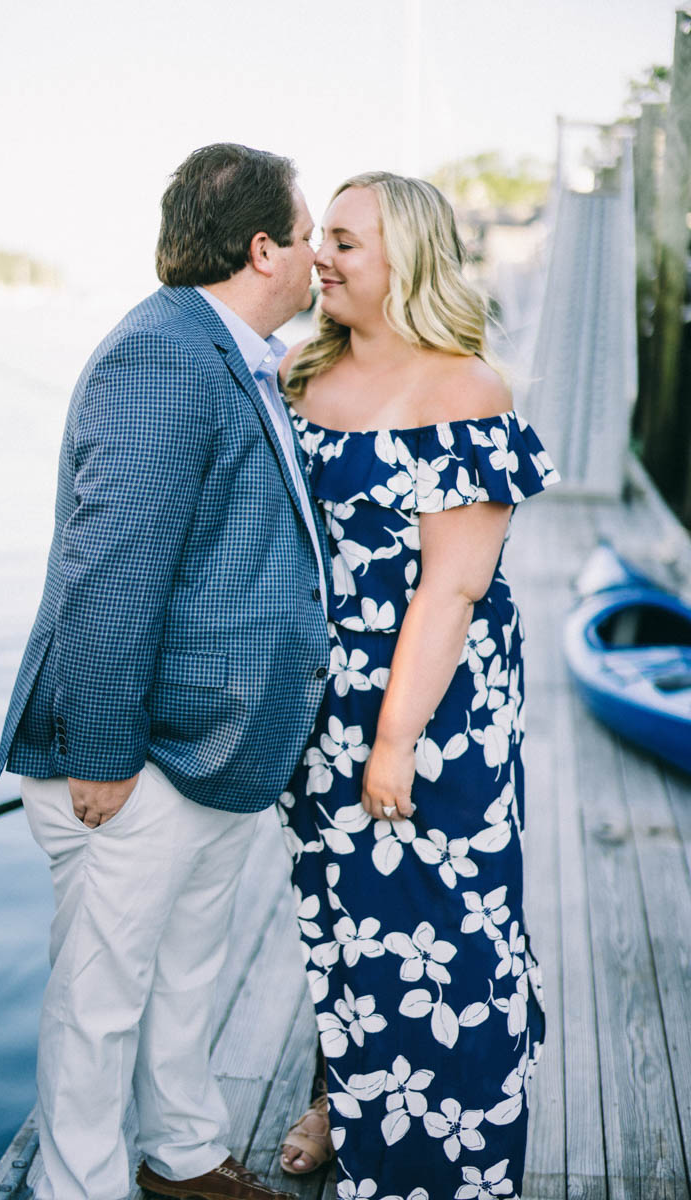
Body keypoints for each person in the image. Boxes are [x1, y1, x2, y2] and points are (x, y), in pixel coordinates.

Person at [0, 142, 331, 1200]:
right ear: (261, 245)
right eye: (308, 232)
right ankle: (78, 1187)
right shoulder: (164, 353)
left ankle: (179, 1155)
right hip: (135, 760)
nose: (318, 255)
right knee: (101, 1003)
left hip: (212, 751)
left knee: (185, 976)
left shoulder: (233, 349)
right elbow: (110, 573)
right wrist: (102, 753)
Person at [277, 173, 559, 1198]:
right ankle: (341, 1100)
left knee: (449, 927)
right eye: (324, 239)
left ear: (406, 259)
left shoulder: (463, 391)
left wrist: (391, 739)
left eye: (346, 242)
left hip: (435, 711)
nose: (324, 257)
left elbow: (451, 587)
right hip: (322, 698)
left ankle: (457, 1159)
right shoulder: (301, 375)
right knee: (342, 920)